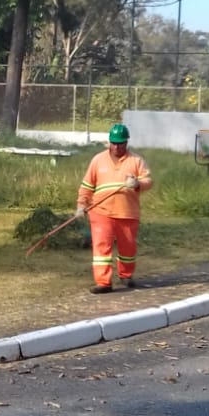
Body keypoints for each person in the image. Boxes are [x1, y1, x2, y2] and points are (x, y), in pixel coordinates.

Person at [75, 123, 153, 293]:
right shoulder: (98, 160)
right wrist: (82, 204)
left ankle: (126, 276)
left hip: (128, 213)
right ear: (109, 142)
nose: (117, 147)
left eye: (121, 143)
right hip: (101, 212)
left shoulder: (136, 161)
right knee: (102, 246)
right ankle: (103, 282)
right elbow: (87, 186)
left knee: (128, 247)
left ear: (127, 142)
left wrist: (138, 183)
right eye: (114, 143)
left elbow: (148, 181)